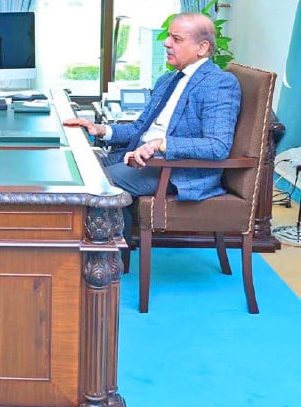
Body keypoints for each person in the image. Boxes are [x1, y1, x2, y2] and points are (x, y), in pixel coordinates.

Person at [64, 12, 241, 240]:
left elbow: (217, 146)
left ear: (202, 47)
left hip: (175, 170)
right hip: (137, 157)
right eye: (169, 37)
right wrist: (102, 130)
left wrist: (162, 144)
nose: (166, 43)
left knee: (95, 182)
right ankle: (108, 247)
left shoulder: (218, 83)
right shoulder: (167, 80)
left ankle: (106, 259)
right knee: (76, 166)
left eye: (176, 39)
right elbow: (140, 127)